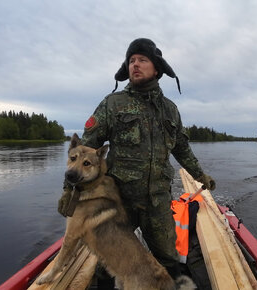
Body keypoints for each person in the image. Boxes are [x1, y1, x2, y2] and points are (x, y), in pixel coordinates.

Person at [59, 38, 215, 287]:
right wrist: (70, 191)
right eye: (131, 61)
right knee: (105, 264)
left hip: (158, 200)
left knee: (169, 259)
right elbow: (83, 152)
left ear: (157, 68)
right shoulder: (113, 104)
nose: (135, 65)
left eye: (142, 60)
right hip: (120, 200)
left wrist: (200, 175)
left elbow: (182, 148)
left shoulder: (170, 110)